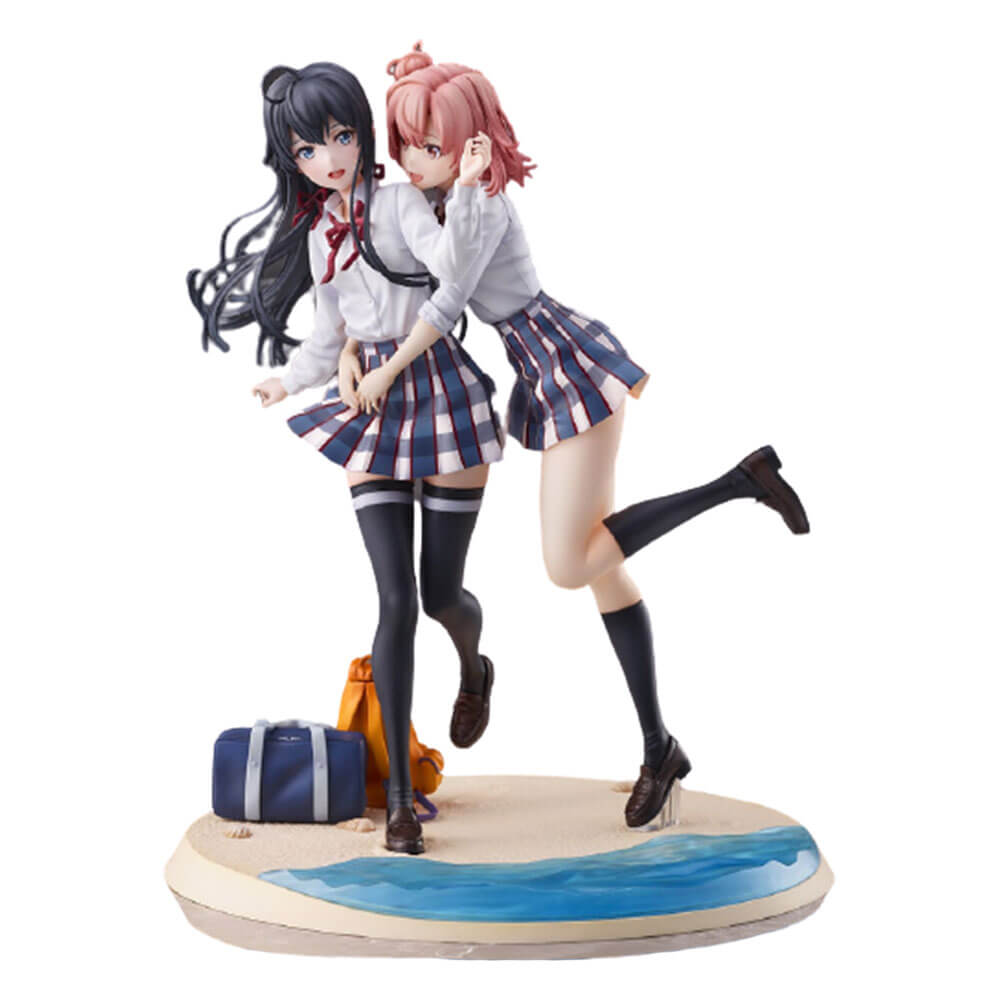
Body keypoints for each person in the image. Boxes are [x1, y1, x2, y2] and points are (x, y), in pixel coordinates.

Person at [365, 44, 811, 828]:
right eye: (404, 142)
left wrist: (388, 367)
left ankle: (740, 483)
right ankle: (659, 748)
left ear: (471, 143)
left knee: (570, 565)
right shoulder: (443, 202)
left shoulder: (480, 204)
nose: (411, 159)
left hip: (567, 366)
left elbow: (445, 304)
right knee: (605, 568)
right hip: (545, 371)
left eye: (428, 145)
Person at [188, 61, 503, 853]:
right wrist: (290, 379)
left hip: (437, 387)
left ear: (362, 132)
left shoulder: (398, 203)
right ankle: (397, 798)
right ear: (291, 161)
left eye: (339, 137)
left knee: (441, 594)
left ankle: (474, 667)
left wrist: (465, 192)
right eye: (307, 150)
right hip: (369, 405)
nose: (328, 159)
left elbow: (447, 266)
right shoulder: (320, 233)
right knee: (394, 599)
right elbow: (329, 332)